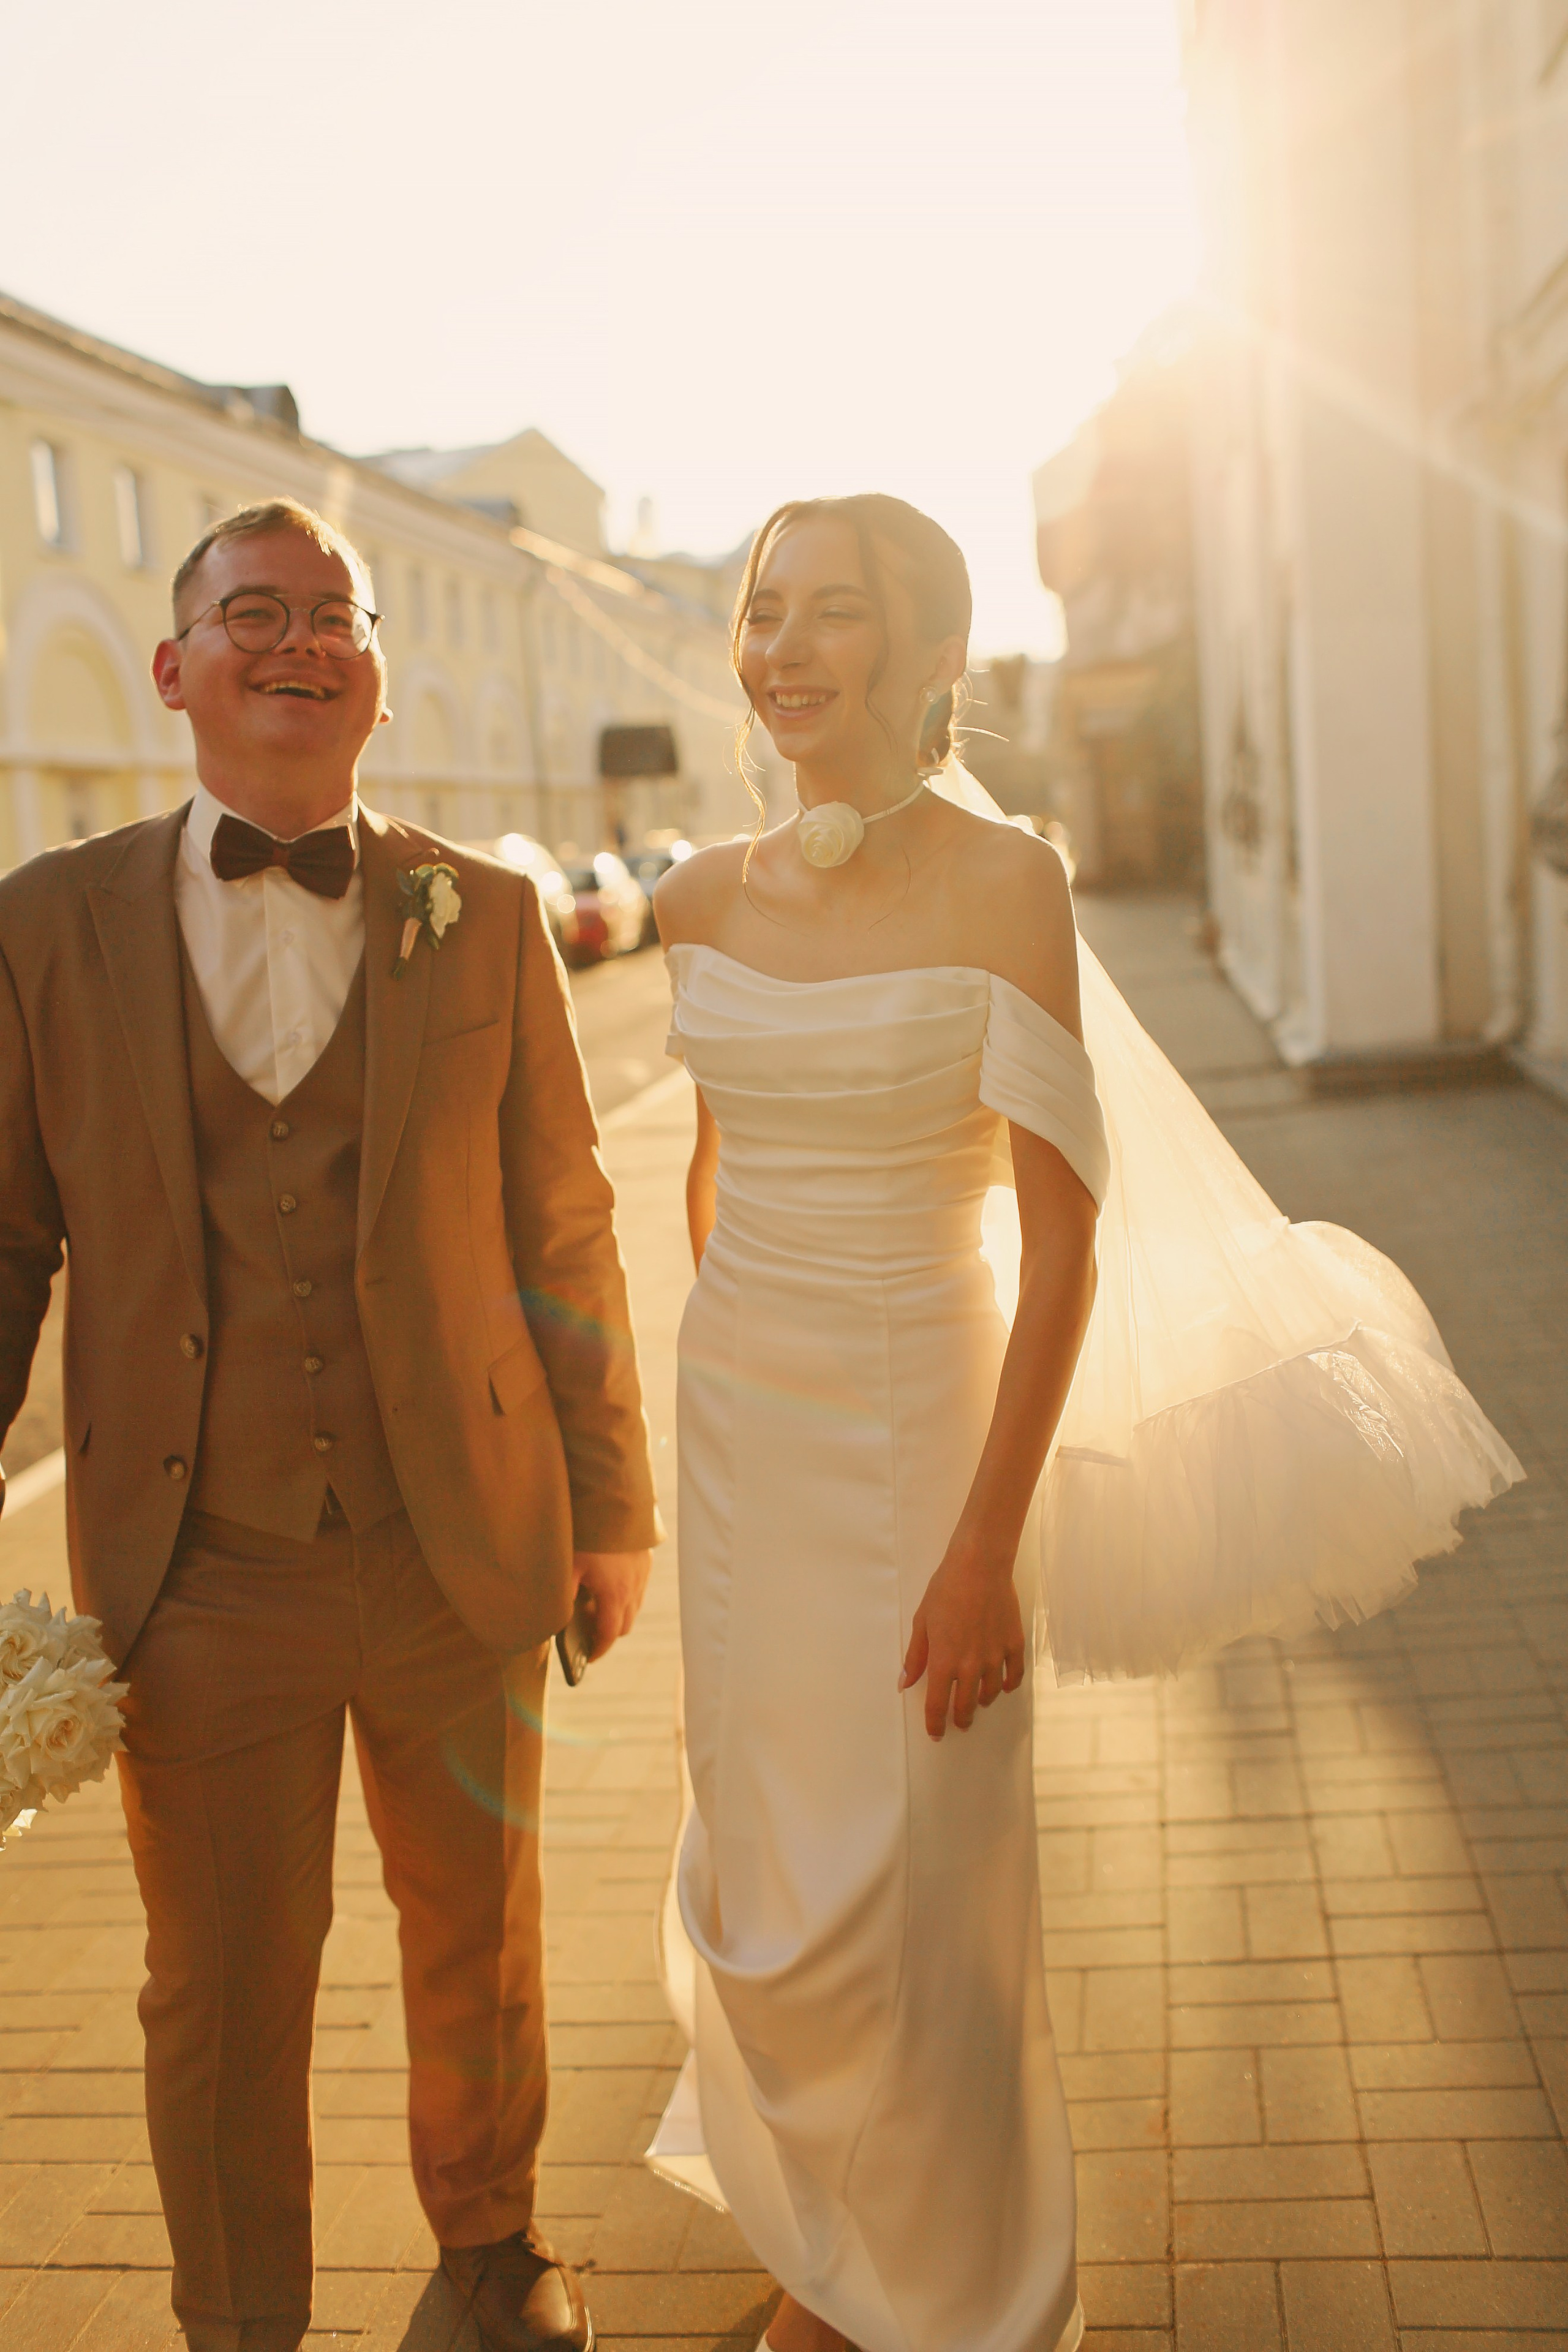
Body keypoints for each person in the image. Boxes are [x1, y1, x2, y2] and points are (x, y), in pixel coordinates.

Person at [647, 494, 1521, 2352]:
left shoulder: (1008, 886)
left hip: (919, 1431)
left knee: (918, 1879)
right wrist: (712, 1401)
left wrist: (983, 1545)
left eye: (836, 614)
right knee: (761, 1859)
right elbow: (708, 1182)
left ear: (935, 651)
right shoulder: (700, 896)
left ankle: (955, 2289)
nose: (783, 649)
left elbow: (1061, 1242)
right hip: (740, 1449)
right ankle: (825, 2238)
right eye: (762, 610)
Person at [0, 497, 661, 2352]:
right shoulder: (42, 927)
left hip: (462, 1543)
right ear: (174, 667)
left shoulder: (493, 911)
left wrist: (612, 1505)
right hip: (197, 1572)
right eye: (254, 612)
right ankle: (240, 2324)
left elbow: (566, 1226)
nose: (299, 644)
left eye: (334, 618)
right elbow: (2, 1243)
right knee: (216, 1994)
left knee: (483, 1945)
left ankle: (490, 2259)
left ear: (374, 672)